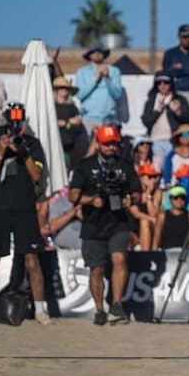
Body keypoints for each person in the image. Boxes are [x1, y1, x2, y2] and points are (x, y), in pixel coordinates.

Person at [0, 105, 52, 328]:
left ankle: (41, 310)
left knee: (32, 259)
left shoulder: (33, 144)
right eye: (12, 123)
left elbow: (37, 176)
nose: (15, 127)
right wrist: (1, 152)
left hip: (24, 208)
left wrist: (24, 153)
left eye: (18, 123)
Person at [68, 124, 141, 325]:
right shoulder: (85, 165)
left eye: (113, 144)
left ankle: (116, 304)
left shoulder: (125, 165)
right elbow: (72, 196)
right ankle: (100, 309)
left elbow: (137, 191)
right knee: (96, 268)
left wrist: (130, 200)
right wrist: (91, 200)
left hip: (118, 221)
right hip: (93, 222)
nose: (110, 148)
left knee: (119, 259)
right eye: (107, 144)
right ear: (98, 144)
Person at [141, 72, 189, 161]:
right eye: (159, 83)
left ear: (171, 84)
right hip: (155, 141)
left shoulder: (179, 99)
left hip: (173, 141)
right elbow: (146, 122)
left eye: (166, 82)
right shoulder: (151, 101)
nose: (162, 85)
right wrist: (157, 111)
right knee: (158, 168)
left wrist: (177, 112)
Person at [75, 44, 123, 136]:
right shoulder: (81, 72)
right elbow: (79, 94)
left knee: (109, 148)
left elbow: (117, 95)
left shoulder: (114, 71)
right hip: (88, 119)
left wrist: (107, 78)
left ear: (104, 54)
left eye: (99, 51)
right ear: (89, 55)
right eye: (93, 52)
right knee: (89, 149)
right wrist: (95, 80)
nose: (96, 54)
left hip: (109, 119)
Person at [53, 76, 86, 169]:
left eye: (67, 88)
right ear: (56, 90)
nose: (65, 90)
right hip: (55, 143)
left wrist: (67, 123)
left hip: (69, 145)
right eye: (62, 88)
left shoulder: (72, 107)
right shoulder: (51, 107)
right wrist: (67, 122)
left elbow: (77, 124)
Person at [152, 186, 189, 250]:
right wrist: (154, 256)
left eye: (182, 198)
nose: (179, 200)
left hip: (183, 254)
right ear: (170, 199)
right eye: (176, 197)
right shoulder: (162, 216)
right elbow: (156, 238)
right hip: (166, 253)